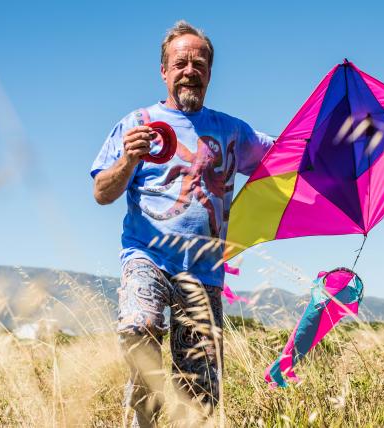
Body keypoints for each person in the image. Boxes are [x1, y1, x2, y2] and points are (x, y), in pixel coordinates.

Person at [90, 20, 273, 427]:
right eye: (181, 62)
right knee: (140, 327)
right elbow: (102, 192)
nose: (190, 70)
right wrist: (128, 160)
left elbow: (284, 158)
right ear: (164, 71)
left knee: (201, 395)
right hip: (147, 258)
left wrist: (336, 139)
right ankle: (147, 413)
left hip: (204, 271)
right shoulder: (137, 123)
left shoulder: (231, 131)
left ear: (209, 72)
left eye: (200, 63)